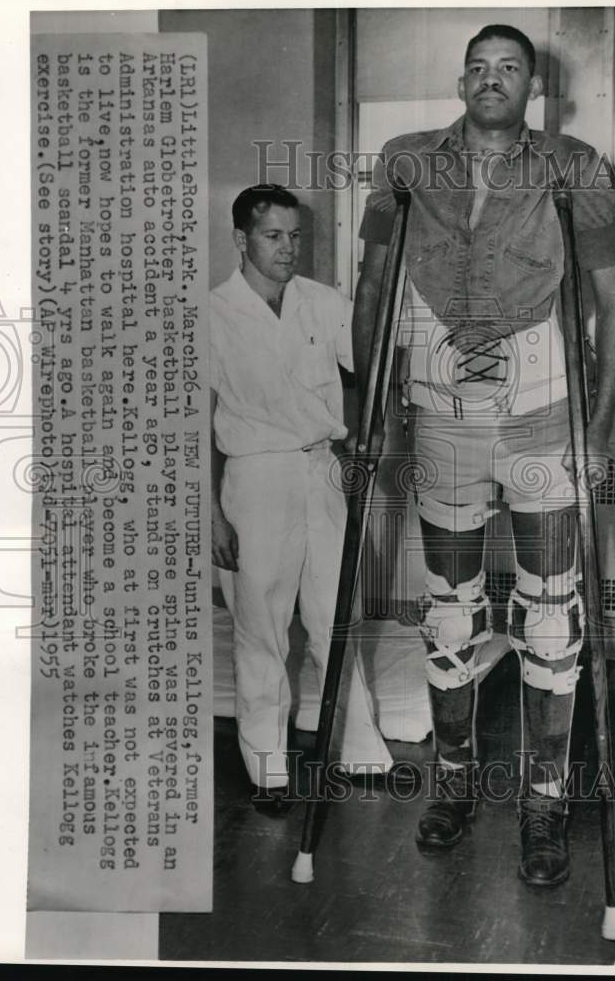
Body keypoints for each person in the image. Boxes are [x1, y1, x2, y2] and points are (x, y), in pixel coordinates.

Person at [353, 25, 615, 884]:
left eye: (508, 69)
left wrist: (600, 416)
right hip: (440, 422)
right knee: (448, 613)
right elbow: (371, 289)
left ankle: (543, 809)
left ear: (533, 85)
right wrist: (366, 408)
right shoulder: (405, 161)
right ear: (460, 77)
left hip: (544, 421)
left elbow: (612, 299)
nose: (490, 81)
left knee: (551, 619)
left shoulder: (573, 164)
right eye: (477, 67)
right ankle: (454, 784)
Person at [210, 184, 394, 817]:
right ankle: (267, 770)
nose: (288, 249)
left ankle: (362, 753)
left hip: (322, 471)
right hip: (255, 482)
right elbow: (189, 428)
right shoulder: (212, 315)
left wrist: (377, 420)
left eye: (295, 237)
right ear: (241, 239)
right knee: (261, 632)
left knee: (333, 618)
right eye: (272, 237)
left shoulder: (323, 303)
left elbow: (373, 364)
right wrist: (212, 518)